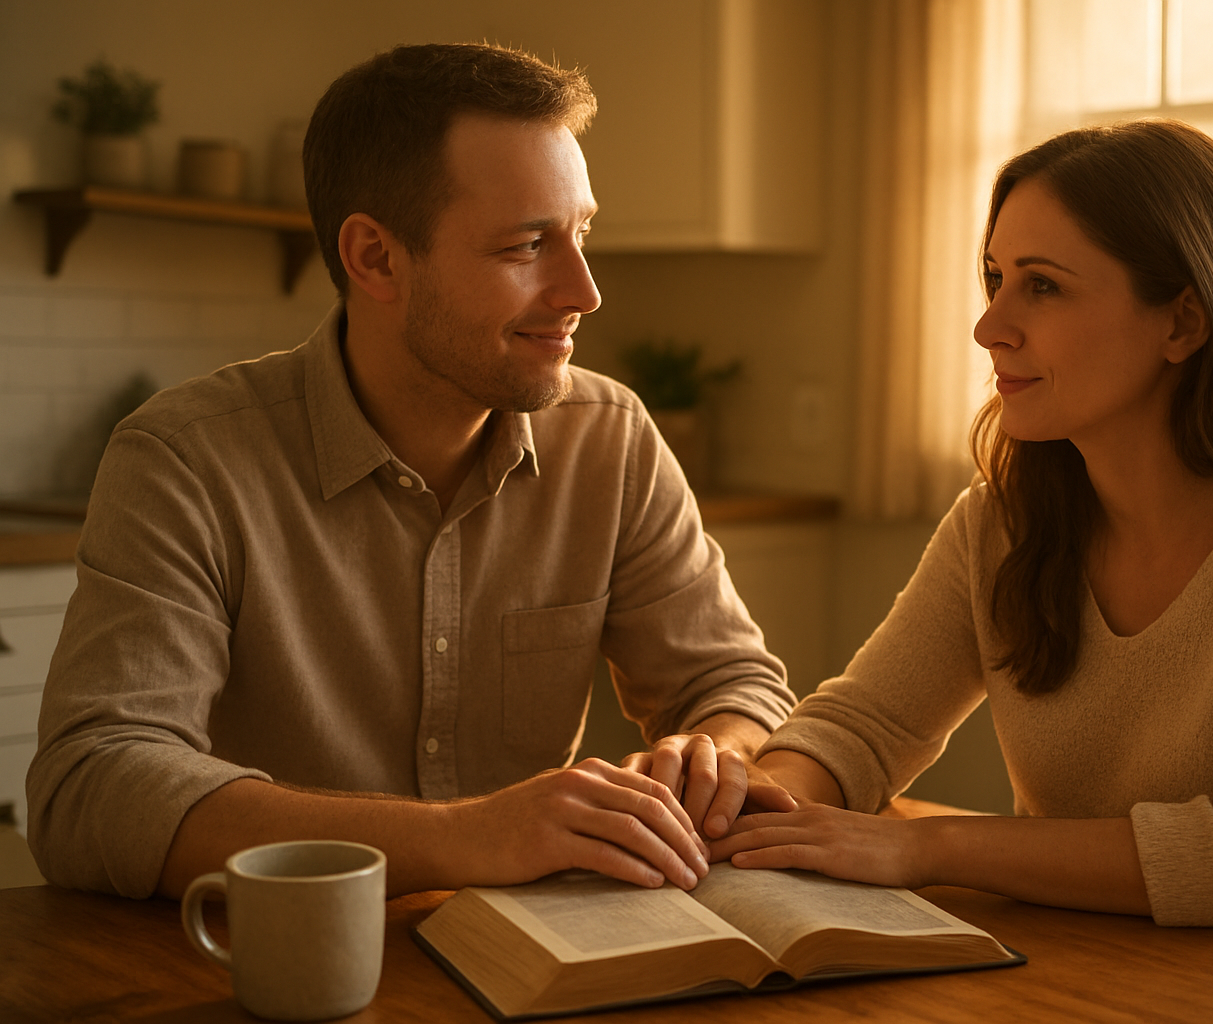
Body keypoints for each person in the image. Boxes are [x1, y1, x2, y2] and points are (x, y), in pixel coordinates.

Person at [26, 43, 797, 901]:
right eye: (526, 245)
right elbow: (91, 786)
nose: (584, 290)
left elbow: (730, 684)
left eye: (581, 233)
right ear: (376, 259)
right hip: (273, 965)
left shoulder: (609, 437)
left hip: (548, 958)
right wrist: (466, 837)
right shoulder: (187, 459)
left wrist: (712, 752)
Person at [714, 119, 1213, 930]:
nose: (989, 326)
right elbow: (863, 727)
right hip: (1091, 971)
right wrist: (754, 803)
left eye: (1043, 285)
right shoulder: (1002, 520)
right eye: (994, 278)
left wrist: (929, 848)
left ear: (1183, 322)